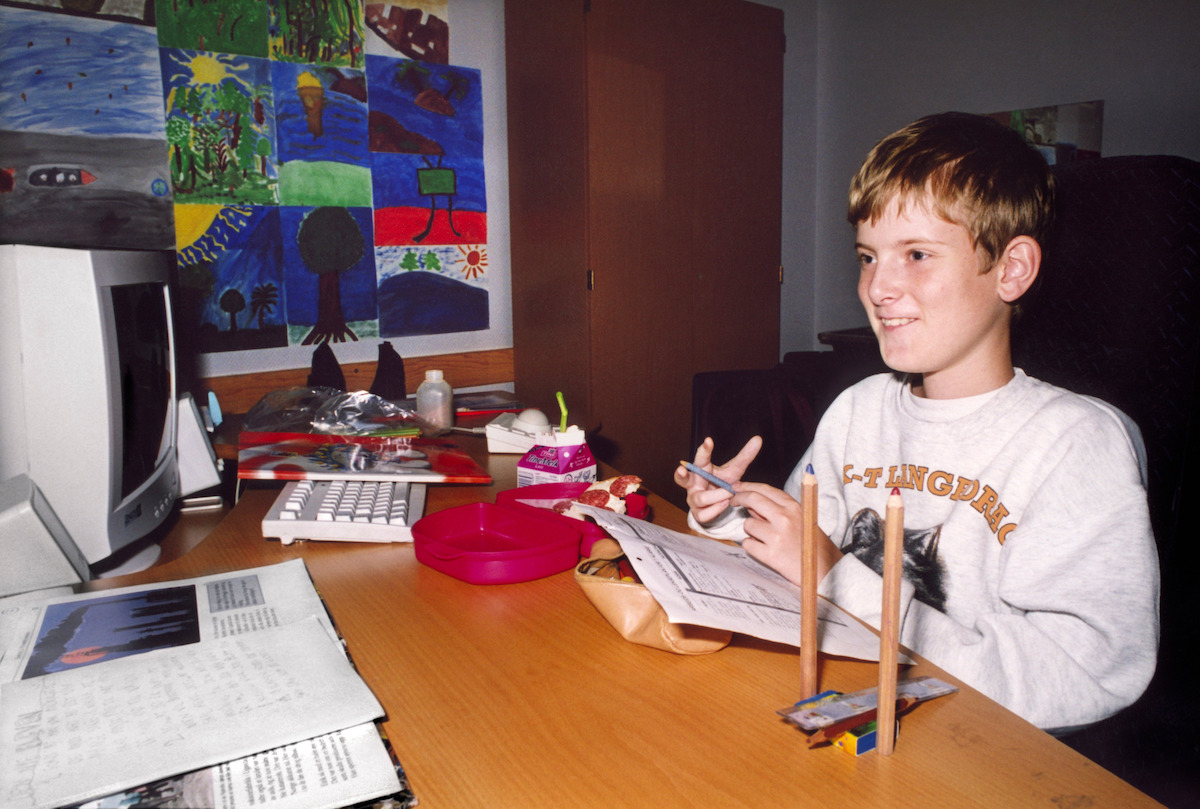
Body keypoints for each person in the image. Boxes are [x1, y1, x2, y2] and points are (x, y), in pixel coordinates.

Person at [675, 111, 1159, 734]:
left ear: (1011, 270)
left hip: (978, 746)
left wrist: (834, 577)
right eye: (868, 257)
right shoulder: (860, 408)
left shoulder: (1075, 444)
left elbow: (1086, 676)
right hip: (852, 697)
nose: (878, 287)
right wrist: (728, 511)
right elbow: (799, 550)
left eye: (918, 254)